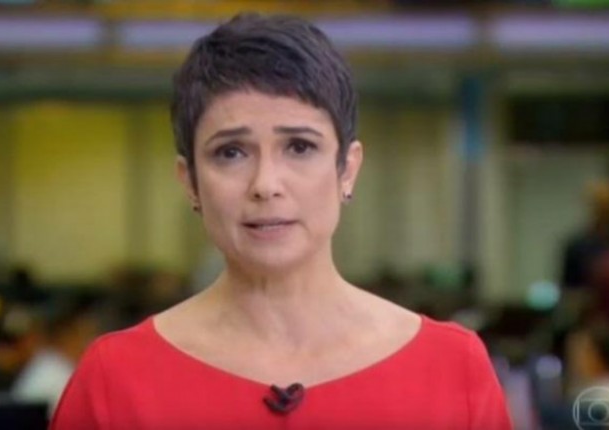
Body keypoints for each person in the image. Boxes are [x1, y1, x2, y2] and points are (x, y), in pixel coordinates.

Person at [51, 13, 511, 429]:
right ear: (190, 181)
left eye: (299, 147)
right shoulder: (116, 378)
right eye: (231, 152)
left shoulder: (452, 367)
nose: (266, 184)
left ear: (347, 169)